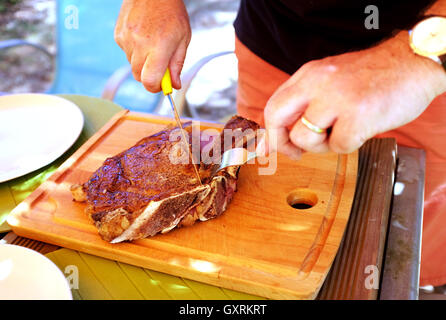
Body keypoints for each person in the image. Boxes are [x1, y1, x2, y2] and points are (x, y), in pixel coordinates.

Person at [114, 0, 446, 289]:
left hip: (418, 70)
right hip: (274, 43)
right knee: (261, 204)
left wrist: (417, 58)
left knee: (400, 240)